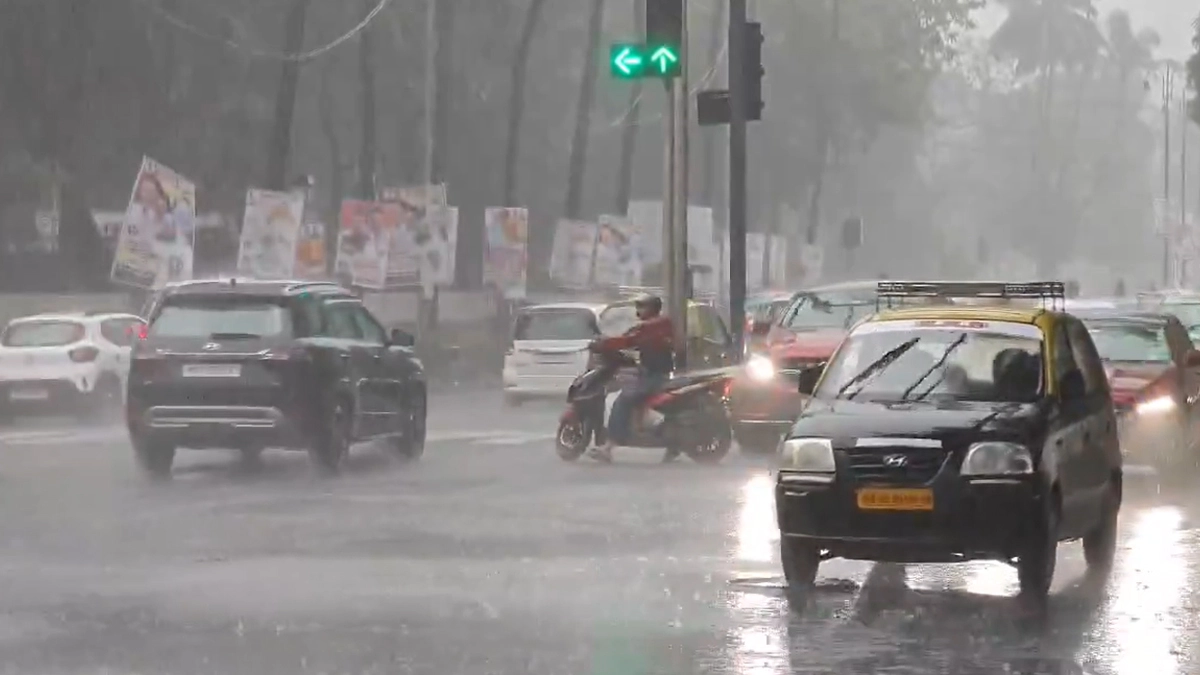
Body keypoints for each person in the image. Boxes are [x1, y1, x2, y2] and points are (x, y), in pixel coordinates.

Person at [588, 294, 675, 461]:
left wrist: (603, 344)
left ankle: (608, 447)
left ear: (651, 309)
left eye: (642, 307)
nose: (638, 311)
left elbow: (628, 340)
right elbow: (631, 337)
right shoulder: (660, 324)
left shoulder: (651, 326)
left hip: (654, 376)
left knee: (624, 400)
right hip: (657, 373)